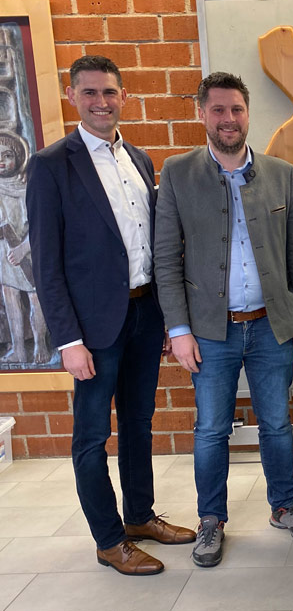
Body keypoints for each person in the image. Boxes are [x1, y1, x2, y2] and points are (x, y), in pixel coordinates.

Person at [26, 56, 195, 576]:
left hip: (145, 313)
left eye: (111, 92)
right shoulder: (52, 165)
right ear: (73, 95)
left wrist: (169, 318)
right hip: (92, 327)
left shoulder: (140, 159)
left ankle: (140, 516)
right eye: (91, 92)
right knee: (92, 436)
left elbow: (152, 247)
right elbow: (46, 263)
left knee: (140, 423)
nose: (102, 102)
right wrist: (67, 339)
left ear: (124, 96)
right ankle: (108, 538)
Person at [154, 72, 293, 568]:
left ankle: (284, 505)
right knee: (210, 429)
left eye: (237, 110)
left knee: (276, 422)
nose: (229, 119)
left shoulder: (279, 173)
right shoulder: (178, 174)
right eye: (219, 110)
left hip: (271, 324)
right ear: (201, 114)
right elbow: (166, 259)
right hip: (210, 329)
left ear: (248, 114)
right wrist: (179, 330)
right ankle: (211, 519)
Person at [0, 131, 51, 365]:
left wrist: (23, 248)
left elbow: (42, 223)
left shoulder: (28, 185)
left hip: (29, 250)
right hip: (4, 254)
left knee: (35, 298)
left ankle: (41, 343)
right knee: (10, 297)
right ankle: (18, 348)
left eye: (7, 155)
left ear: (18, 157)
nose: (1, 161)